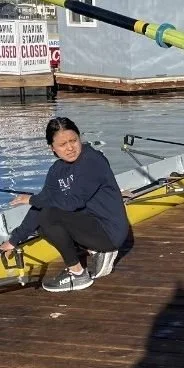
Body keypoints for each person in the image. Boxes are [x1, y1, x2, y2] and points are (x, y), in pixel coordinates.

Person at [0, 117, 129, 292]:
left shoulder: (92, 160)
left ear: (79, 138)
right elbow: (42, 203)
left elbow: (72, 202)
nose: (70, 148)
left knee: (49, 215)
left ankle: (78, 275)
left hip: (110, 231)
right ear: (52, 148)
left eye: (73, 141)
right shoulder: (56, 170)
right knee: (43, 222)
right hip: (90, 225)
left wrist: (30, 199)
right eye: (62, 144)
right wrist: (14, 240)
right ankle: (95, 250)